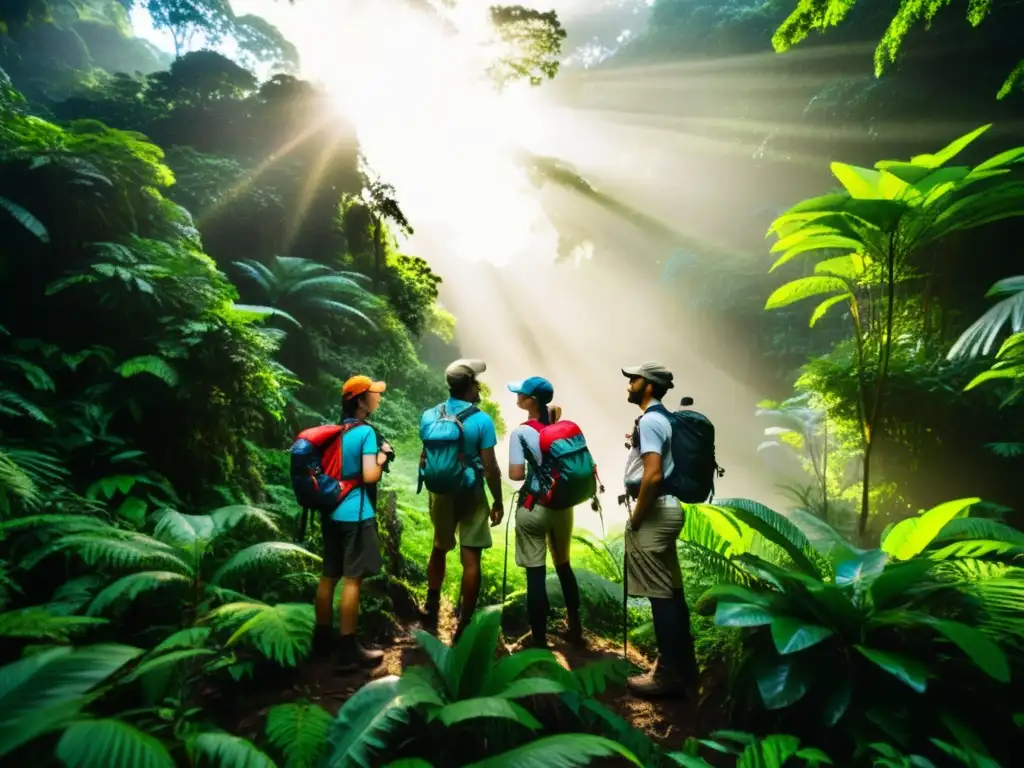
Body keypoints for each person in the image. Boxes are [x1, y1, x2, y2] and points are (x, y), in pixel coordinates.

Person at [621, 361, 699, 698]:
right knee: (671, 589)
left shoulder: (652, 420)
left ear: (648, 386)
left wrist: (637, 518)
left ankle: (667, 676)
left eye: (634, 380)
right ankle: (685, 666)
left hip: (655, 511)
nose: (629, 384)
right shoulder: (661, 419)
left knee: (659, 594)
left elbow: (652, 475)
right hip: (667, 509)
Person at [420, 358, 504, 643]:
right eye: (476, 381)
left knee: (439, 547)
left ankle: (431, 607)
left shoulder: (429, 415)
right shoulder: (481, 420)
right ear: (470, 385)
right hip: (470, 492)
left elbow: (428, 455)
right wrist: (498, 501)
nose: (479, 385)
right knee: (471, 559)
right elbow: (490, 467)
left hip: (441, 492)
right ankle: (463, 624)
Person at [313, 375, 394, 671]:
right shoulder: (365, 433)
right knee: (352, 579)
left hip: (330, 511)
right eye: (374, 394)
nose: (378, 397)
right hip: (355, 513)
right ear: (360, 401)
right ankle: (347, 649)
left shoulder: (333, 431)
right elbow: (370, 475)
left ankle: (321, 640)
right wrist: (383, 456)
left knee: (328, 576)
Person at [507, 377, 583, 649]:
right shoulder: (560, 428)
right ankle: (575, 627)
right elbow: (556, 409)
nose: (517, 397)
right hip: (562, 506)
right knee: (563, 566)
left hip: (535, 506)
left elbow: (516, 475)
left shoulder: (521, 433)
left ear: (531, 401)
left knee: (535, 573)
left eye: (522, 394)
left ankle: (538, 638)